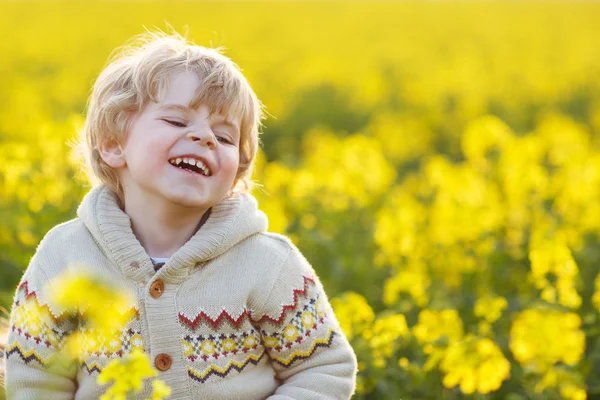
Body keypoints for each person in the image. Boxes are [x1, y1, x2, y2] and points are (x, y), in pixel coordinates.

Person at [4, 30, 358, 399]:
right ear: (113, 145)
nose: (205, 137)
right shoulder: (63, 257)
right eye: (177, 121)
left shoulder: (268, 264)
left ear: (236, 172)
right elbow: (34, 379)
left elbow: (324, 369)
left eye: (224, 138)